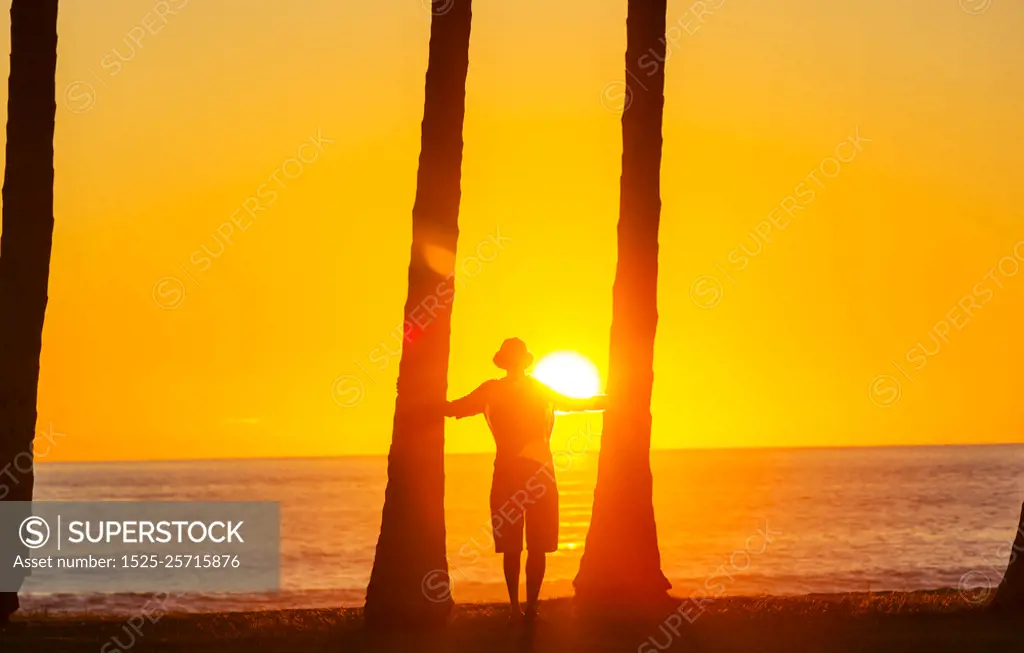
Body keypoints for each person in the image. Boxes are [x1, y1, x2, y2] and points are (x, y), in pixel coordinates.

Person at [445, 338, 605, 625]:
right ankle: (520, 606)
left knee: (531, 545)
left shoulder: (512, 389)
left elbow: (574, 404)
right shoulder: (505, 389)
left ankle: (524, 606)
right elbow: (455, 408)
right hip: (530, 472)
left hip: (524, 473)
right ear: (511, 362)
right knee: (518, 545)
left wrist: (605, 401)